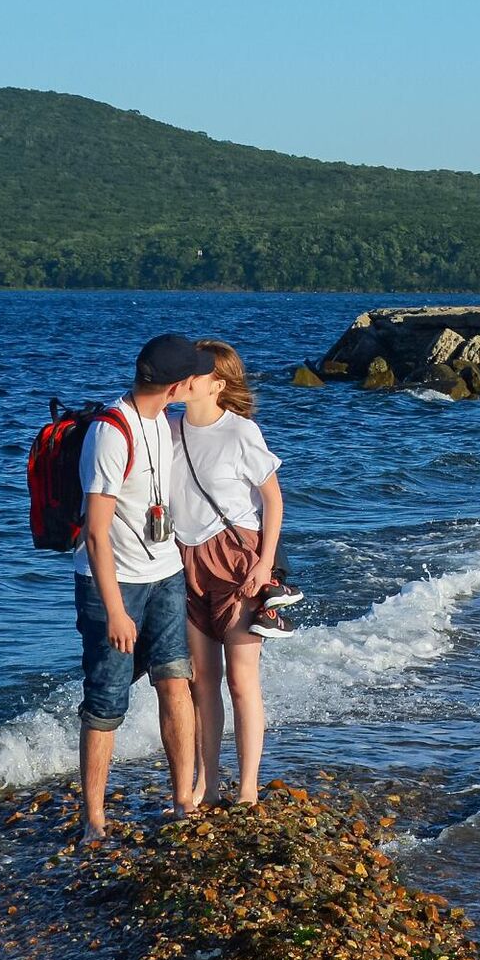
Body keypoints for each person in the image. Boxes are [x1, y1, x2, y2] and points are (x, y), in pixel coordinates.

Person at [75, 333, 214, 841]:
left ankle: (183, 801)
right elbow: (95, 531)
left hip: (166, 571)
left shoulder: (163, 421)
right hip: (113, 584)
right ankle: (93, 818)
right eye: (191, 376)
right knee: (107, 698)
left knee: (176, 681)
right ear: (176, 383)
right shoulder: (112, 433)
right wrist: (115, 610)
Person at [172, 340, 291, 808]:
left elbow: (273, 501)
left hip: (236, 560)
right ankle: (207, 782)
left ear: (217, 385)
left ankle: (247, 787)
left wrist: (264, 564)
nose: (184, 379)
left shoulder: (240, 432)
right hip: (183, 561)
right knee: (202, 682)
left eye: (194, 374)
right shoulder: (168, 426)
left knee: (241, 680)